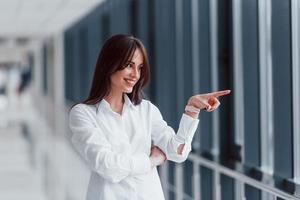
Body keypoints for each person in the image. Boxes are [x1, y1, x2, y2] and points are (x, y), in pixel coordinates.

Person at [68, 34, 230, 200]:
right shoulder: (83, 113)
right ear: (109, 64)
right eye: (129, 66)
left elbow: (177, 153)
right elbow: (107, 166)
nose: (135, 75)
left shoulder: (146, 109)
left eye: (140, 68)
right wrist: (152, 161)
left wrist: (192, 109)